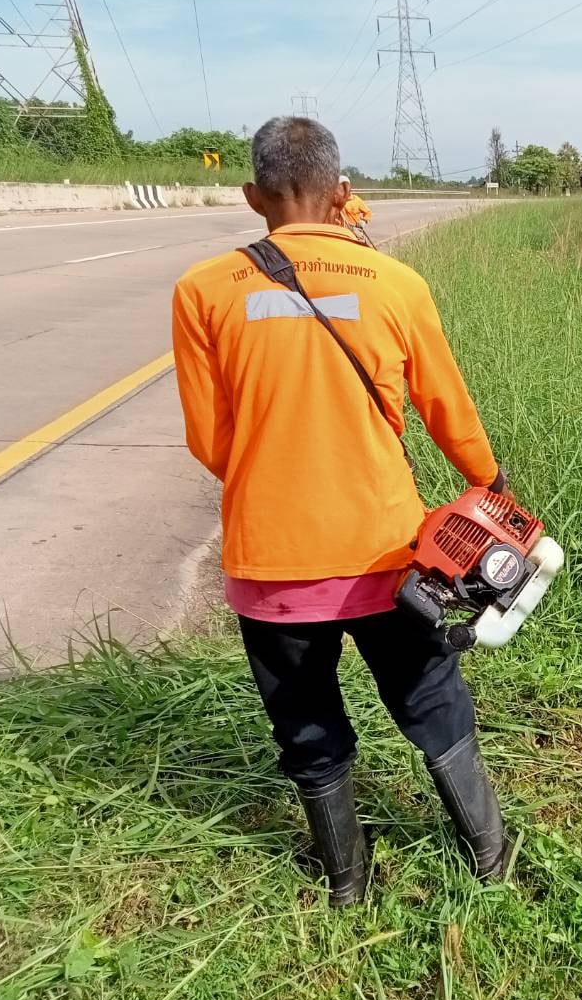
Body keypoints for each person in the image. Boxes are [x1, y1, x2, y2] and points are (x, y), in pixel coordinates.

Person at [171, 117, 512, 907]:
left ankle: (346, 882)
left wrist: (272, 479)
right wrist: (488, 479)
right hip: (388, 555)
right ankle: (490, 858)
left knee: (304, 719)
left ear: (252, 196)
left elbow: (208, 440)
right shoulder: (395, 284)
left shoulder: (202, 290)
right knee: (431, 697)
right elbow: (445, 407)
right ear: (343, 191)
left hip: (271, 562)